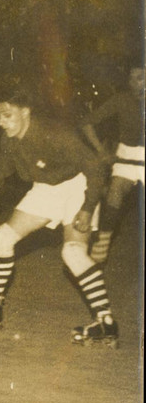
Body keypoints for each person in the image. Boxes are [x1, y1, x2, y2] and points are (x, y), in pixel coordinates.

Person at [0, 86, 115, 346]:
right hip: (46, 189)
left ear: (26, 111)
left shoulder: (55, 133)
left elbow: (95, 167)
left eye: (7, 115)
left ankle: (105, 321)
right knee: (2, 236)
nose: (1, 122)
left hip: (79, 186)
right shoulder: (10, 140)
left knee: (73, 252)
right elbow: (1, 165)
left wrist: (88, 207)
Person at [80, 64, 145, 263]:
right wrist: (102, 151)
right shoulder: (121, 99)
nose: (135, 83)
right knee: (114, 193)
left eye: (140, 78)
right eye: (132, 78)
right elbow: (86, 122)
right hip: (127, 155)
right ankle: (100, 251)